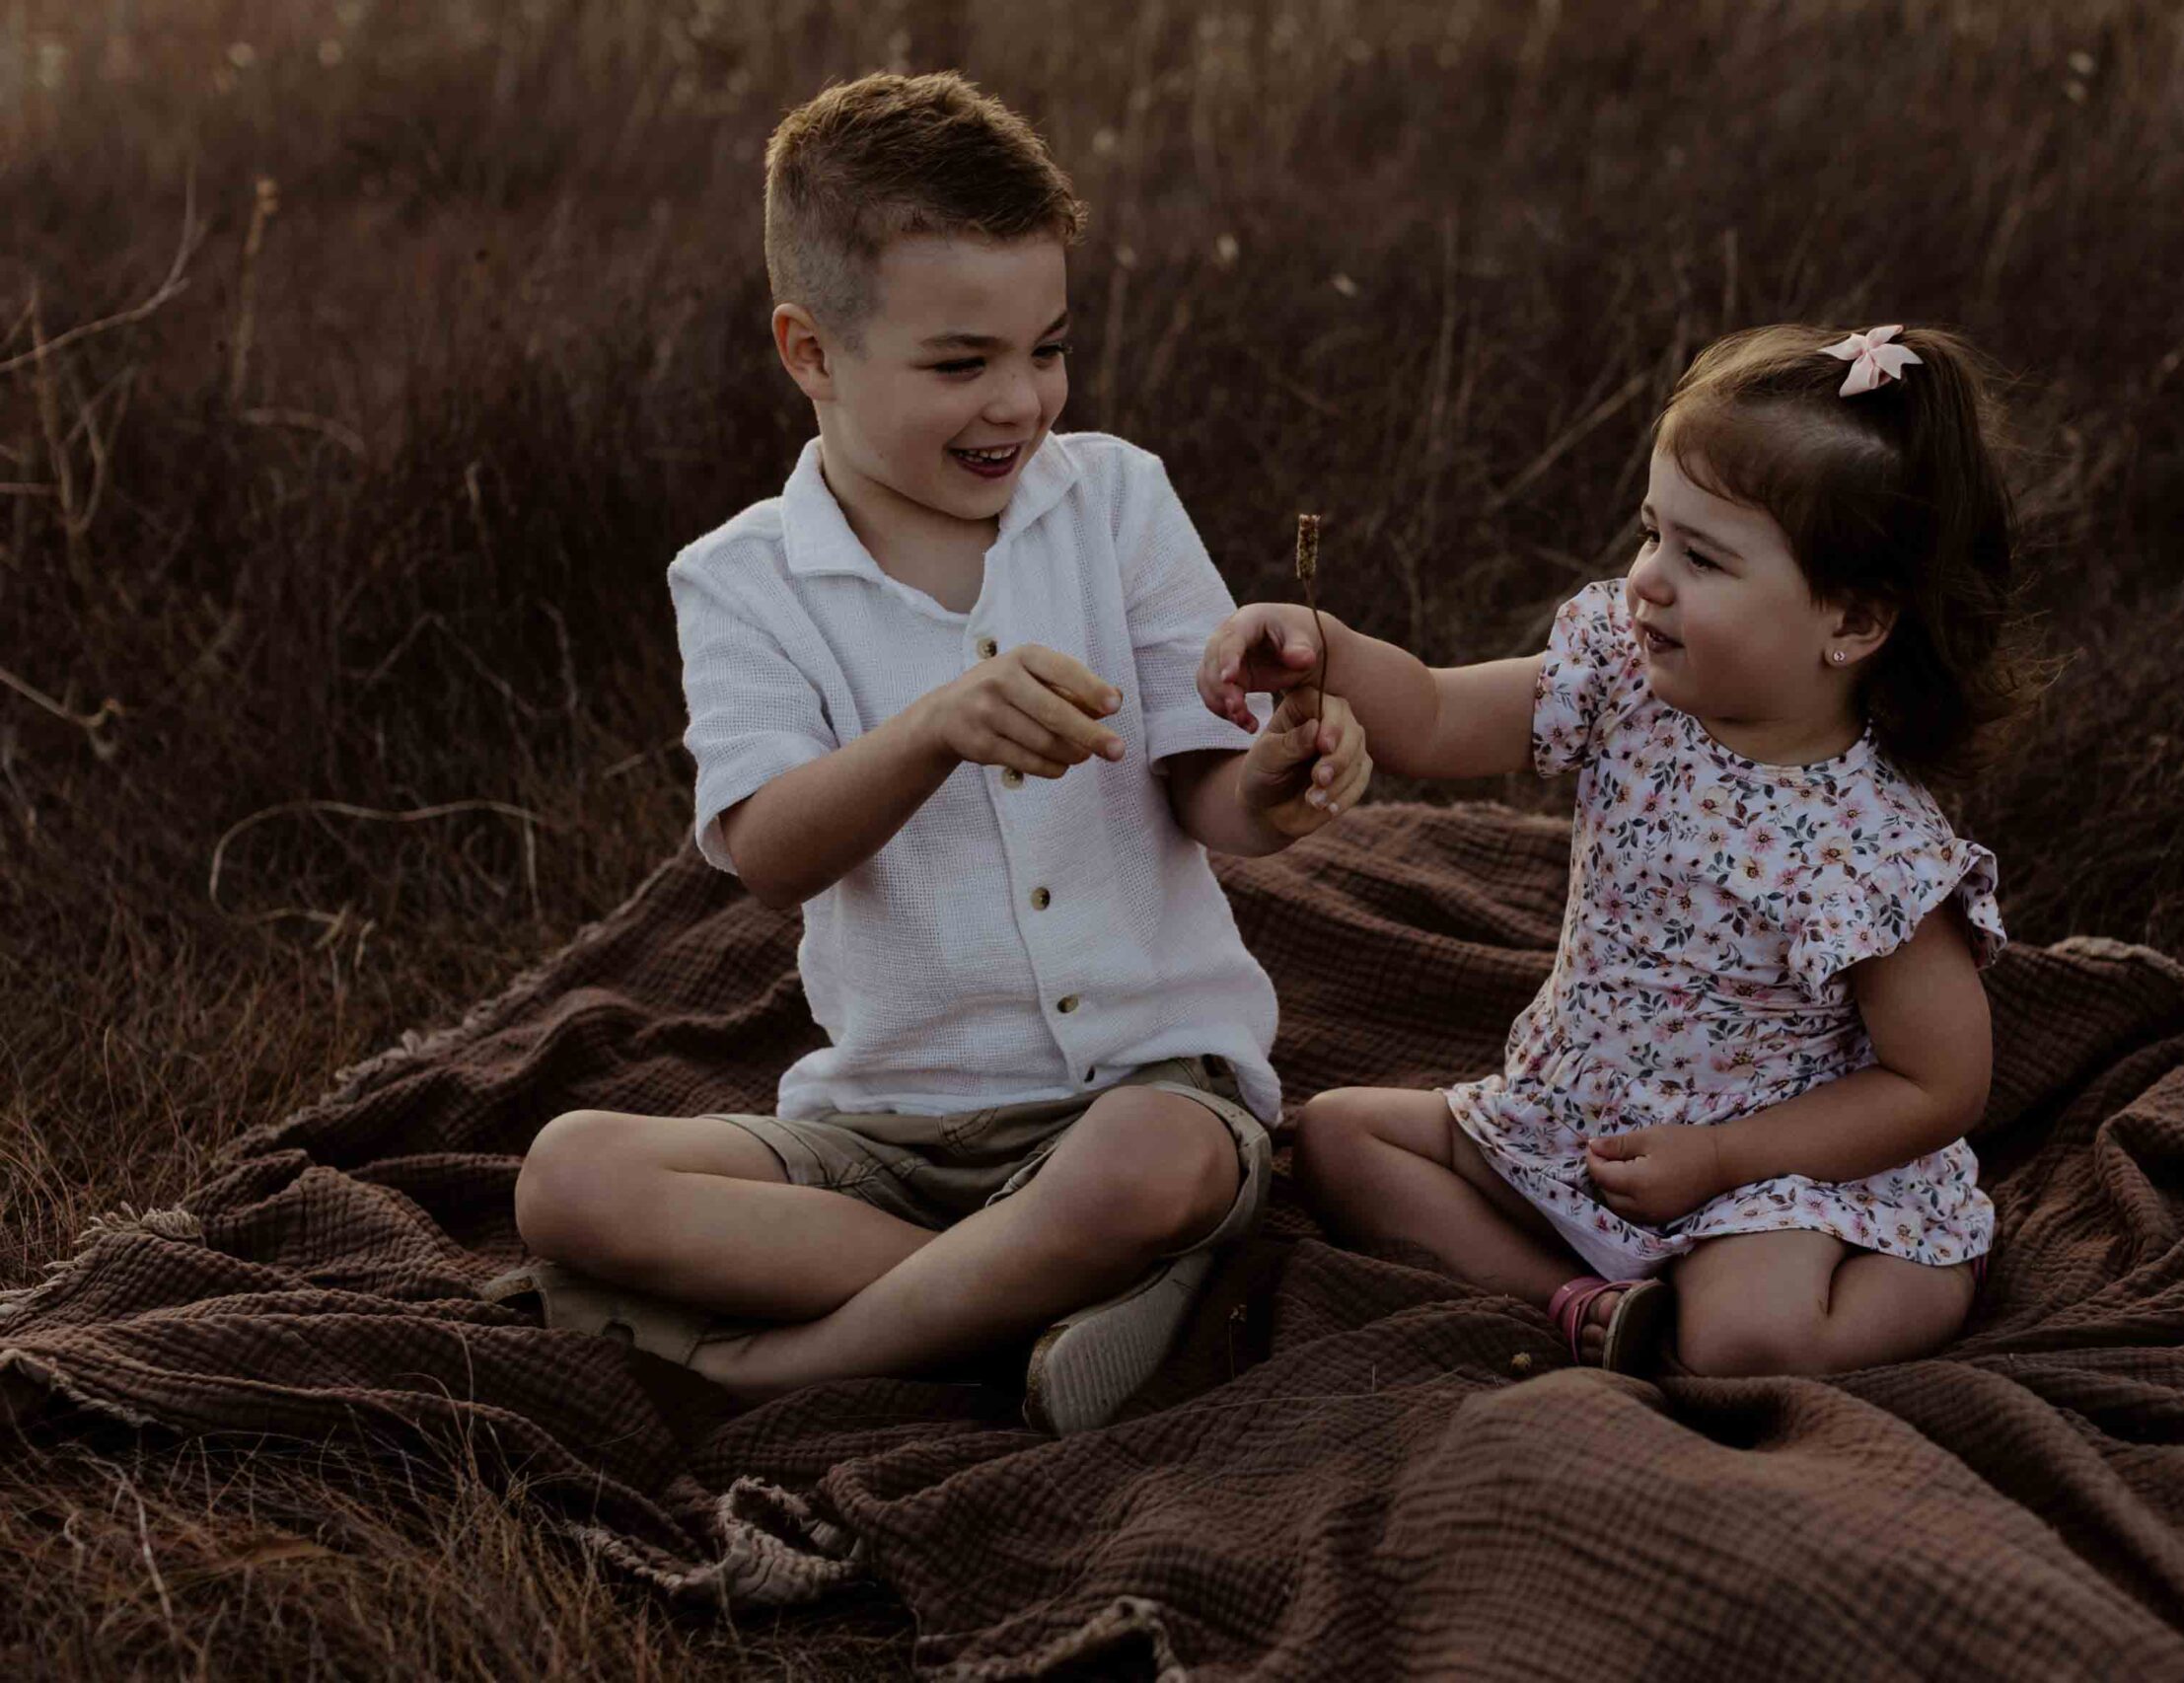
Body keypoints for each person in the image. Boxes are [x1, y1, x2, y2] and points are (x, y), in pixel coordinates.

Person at [485, 71, 1372, 1434]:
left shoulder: (1116, 500)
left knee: (1150, 1169)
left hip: (1141, 1097)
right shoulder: (740, 577)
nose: (1019, 402)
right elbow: (773, 850)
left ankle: (791, 1364)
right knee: (568, 1179)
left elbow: (1210, 787)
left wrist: (1274, 778)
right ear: (812, 352)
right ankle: (1039, 1302)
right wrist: (933, 729)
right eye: (961, 363)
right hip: (888, 1132)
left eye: (1048, 348)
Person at [1200, 323, 2037, 1378]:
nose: (1646, 580)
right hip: (1572, 1130)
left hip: (1763, 1174)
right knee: (1335, 1138)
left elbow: (1939, 1083)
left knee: (1748, 1337)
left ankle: (1920, 1275)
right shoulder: (1623, 684)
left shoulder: (1871, 850)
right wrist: (1329, 651)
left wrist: (1724, 1158)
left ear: (1854, 619)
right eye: (1652, 534)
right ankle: (1575, 1303)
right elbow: (1437, 718)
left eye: (1702, 558)